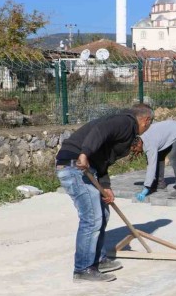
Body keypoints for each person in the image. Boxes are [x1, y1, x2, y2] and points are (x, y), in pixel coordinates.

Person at [55, 104, 154, 282]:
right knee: (92, 218)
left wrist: (105, 185)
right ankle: (83, 269)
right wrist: (84, 154)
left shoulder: (124, 126)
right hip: (75, 166)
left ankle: (98, 260)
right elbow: (100, 131)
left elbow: (102, 159)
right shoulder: (125, 122)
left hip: (87, 168)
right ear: (146, 120)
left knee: (103, 213)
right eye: (148, 126)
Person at [134, 119, 176, 201]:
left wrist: (146, 188)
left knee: (173, 157)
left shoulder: (150, 144)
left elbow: (151, 166)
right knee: (159, 155)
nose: (135, 151)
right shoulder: (143, 136)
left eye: (135, 149)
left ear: (139, 143)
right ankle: (160, 184)